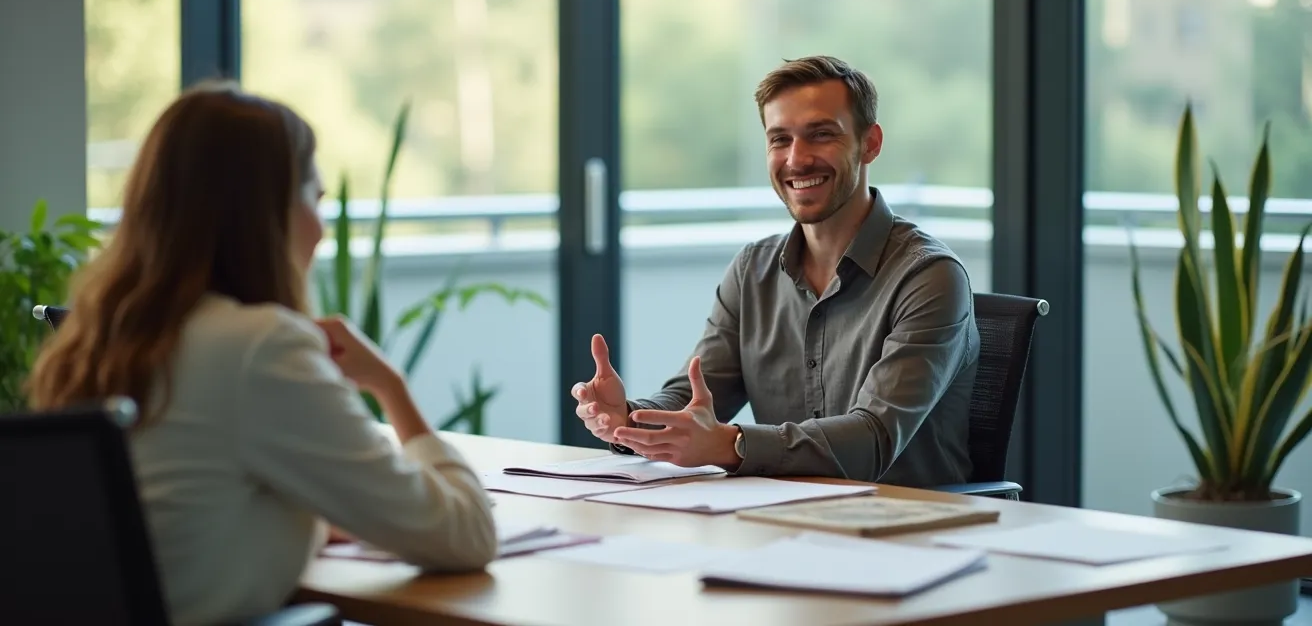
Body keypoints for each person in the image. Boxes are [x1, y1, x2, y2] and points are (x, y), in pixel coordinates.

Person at [26, 82, 497, 625]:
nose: (320, 229)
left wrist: (311, 514)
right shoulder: (258, 345)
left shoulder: (95, 343)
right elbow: (466, 536)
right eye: (315, 200)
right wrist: (390, 386)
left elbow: (189, 507)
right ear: (268, 212)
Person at [573, 55, 978, 487]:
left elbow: (873, 437)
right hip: (786, 520)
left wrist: (729, 445)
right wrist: (626, 419)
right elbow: (695, 402)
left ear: (870, 143)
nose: (796, 160)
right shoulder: (753, 271)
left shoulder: (929, 277)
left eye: (821, 135)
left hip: (910, 530)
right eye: (779, 139)